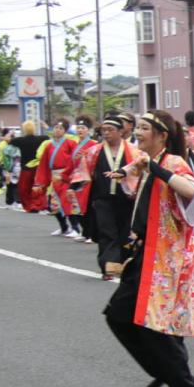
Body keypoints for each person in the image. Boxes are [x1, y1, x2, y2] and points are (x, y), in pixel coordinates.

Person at [104, 110, 194, 387]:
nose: (138, 132)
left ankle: (183, 385)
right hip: (146, 253)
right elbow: (136, 170)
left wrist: (155, 169)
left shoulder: (172, 162)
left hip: (166, 257)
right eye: (138, 127)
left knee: (148, 321)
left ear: (162, 135)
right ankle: (171, 372)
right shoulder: (149, 161)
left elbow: (192, 191)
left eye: (145, 128)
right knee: (127, 316)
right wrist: (125, 172)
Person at [83, 115, 136, 279]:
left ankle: (122, 265)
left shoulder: (134, 151)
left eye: (110, 130)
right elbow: (83, 172)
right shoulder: (94, 151)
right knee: (107, 233)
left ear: (121, 132)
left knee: (124, 233)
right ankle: (108, 267)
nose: (106, 133)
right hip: (102, 199)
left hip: (126, 200)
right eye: (103, 130)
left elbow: (139, 172)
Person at [32, 118, 80, 236]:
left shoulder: (70, 143)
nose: (58, 130)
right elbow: (44, 164)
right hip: (54, 176)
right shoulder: (48, 145)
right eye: (56, 128)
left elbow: (74, 160)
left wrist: (67, 174)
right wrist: (41, 181)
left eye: (61, 128)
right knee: (54, 204)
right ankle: (64, 227)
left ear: (65, 131)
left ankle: (75, 228)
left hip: (66, 175)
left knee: (68, 202)